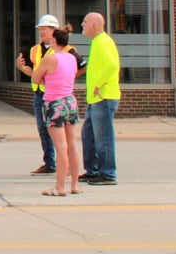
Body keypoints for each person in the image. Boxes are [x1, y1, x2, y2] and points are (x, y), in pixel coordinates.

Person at [15, 14, 81, 175]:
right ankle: (50, 163)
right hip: (40, 95)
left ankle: (63, 167)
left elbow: (81, 66)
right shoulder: (35, 50)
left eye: (45, 29)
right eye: (41, 29)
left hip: (58, 96)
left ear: (54, 31)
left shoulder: (66, 49)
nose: (42, 32)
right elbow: (34, 72)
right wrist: (23, 69)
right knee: (43, 130)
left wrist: (66, 78)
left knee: (61, 134)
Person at [31, 24, 82, 196]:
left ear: (54, 40)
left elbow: (35, 77)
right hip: (70, 100)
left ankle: (60, 187)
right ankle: (74, 184)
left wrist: (47, 80)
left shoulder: (50, 59)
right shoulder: (71, 58)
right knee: (72, 145)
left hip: (54, 102)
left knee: (60, 147)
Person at [80, 11, 121, 186]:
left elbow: (111, 64)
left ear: (95, 24)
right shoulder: (97, 41)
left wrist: (98, 84)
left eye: (85, 21)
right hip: (96, 99)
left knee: (103, 137)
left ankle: (107, 174)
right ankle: (93, 170)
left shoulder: (102, 41)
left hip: (104, 97)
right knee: (88, 134)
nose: (82, 24)